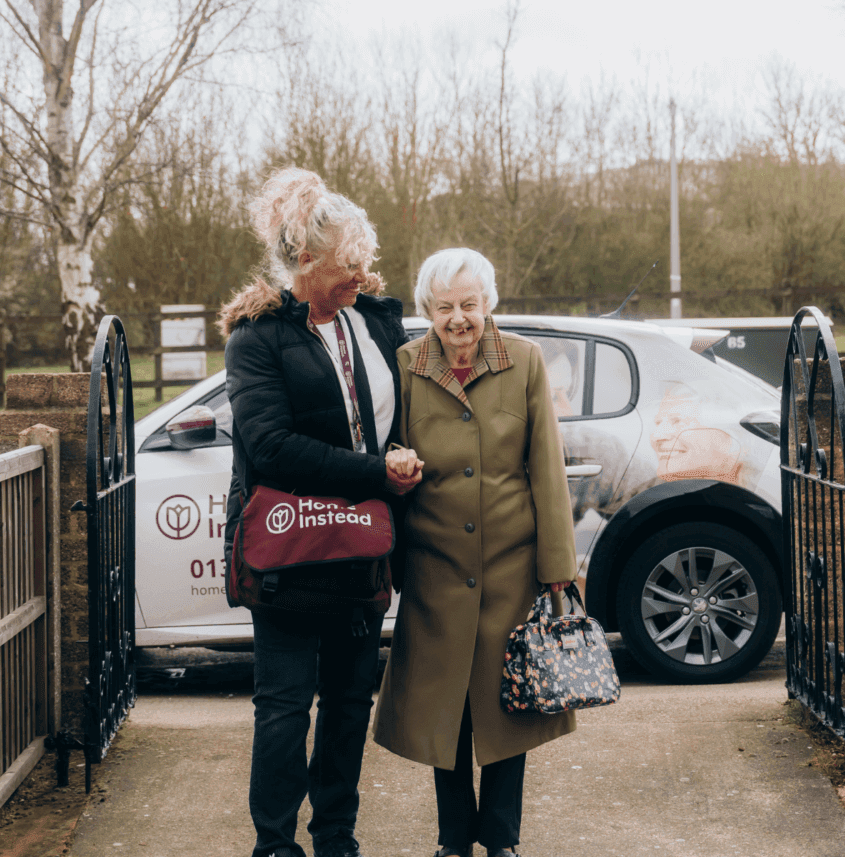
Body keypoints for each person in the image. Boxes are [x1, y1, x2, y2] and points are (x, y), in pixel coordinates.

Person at [218, 167, 422, 857]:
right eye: (347, 265)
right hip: (289, 554)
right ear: (306, 260)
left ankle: (336, 834)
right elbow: (270, 446)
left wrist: (399, 462)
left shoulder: (372, 323)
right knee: (283, 707)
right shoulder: (258, 336)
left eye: (365, 264)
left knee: (348, 704)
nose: (360, 278)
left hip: (364, 547)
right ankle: (275, 844)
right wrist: (377, 473)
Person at [373, 248, 578, 857]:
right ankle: (453, 839)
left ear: (488, 303)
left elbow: (546, 468)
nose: (458, 319)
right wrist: (396, 470)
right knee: (448, 712)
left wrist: (558, 568)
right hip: (436, 569)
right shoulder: (406, 365)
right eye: (445, 307)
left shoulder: (525, 361)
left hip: (511, 569)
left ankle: (503, 841)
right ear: (427, 311)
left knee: (509, 705)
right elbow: (389, 452)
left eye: (469, 304)